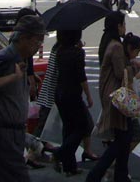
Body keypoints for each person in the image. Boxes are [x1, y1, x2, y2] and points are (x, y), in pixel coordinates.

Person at [0, 14, 46, 182]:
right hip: (2, 135)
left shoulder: (19, 59)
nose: (39, 46)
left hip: (13, 134)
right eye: (37, 41)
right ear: (24, 38)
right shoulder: (5, 59)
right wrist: (12, 77)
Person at [87, 12, 134, 182]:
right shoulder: (116, 46)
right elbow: (120, 72)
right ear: (118, 26)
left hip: (110, 93)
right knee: (123, 138)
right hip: (117, 95)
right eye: (123, 24)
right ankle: (96, 175)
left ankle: (120, 175)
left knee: (124, 136)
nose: (125, 28)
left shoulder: (107, 42)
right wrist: (133, 68)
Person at [52, 30, 94, 176]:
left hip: (60, 93)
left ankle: (70, 167)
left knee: (68, 128)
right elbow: (81, 76)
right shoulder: (77, 53)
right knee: (83, 127)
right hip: (73, 94)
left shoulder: (59, 51)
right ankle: (59, 153)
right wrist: (89, 95)